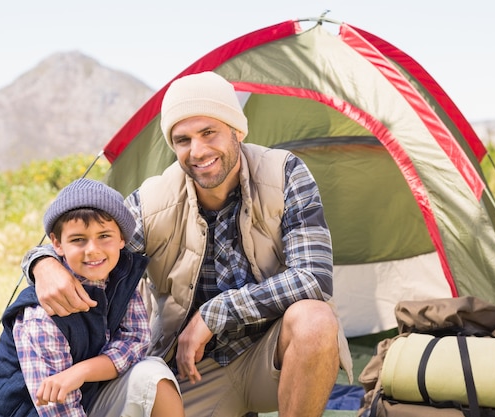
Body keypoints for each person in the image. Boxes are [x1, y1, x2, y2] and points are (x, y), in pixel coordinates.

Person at [22, 71, 352, 417]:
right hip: (192, 372)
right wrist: (40, 262)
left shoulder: (285, 174)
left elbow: (313, 277)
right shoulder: (153, 201)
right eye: (183, 139)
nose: (197, 151)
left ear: (237, 130)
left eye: (209, 133)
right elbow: (97, 245)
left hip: (268, 359)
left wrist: (215, 313)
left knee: (315, 319)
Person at [0, 178, 183, 417]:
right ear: (57, 243)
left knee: (151, 373)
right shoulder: (42, 314)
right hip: (38, 412)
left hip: (88, 398)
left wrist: (82, 372)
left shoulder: (120, 279)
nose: (93, 249)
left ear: (122, 239)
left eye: (104, 236)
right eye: (78, 239)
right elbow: (56, 406)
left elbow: (134, 343)